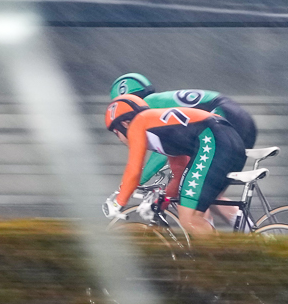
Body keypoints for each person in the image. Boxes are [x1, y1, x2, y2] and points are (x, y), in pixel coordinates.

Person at [106, 73, 258, 215]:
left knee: (199, 195)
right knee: (207, 196)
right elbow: (172, 148)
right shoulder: (157, 102)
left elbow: (161, 151)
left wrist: (136, 183)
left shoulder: (144, 110)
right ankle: (247, 232)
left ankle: (215, 236)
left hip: (222, 119)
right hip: (235, 116)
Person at [104, 93, 246, 239]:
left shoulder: (138, 123)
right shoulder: (162, 131)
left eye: (116, 133)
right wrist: (160, 205)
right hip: (229, 140)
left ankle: (220, 258)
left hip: (215, 140)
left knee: (189, 218)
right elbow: (178, 176)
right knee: (191, 208)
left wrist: (118, 202)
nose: (119, 140)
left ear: (124, 124)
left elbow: (134, 170)